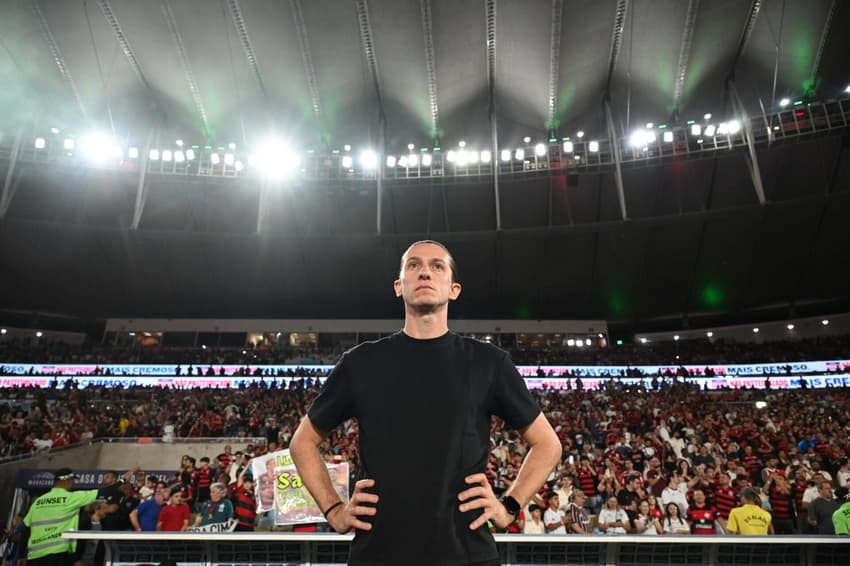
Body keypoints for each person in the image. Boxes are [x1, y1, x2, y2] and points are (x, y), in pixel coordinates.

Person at [290, 240, 562, 566]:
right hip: (378, 555)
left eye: (437, 266)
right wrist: (334, 509)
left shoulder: (489, 363)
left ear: (454, 289)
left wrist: (510, 506)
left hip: (467, 555)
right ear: (398, 286)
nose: (425, 273)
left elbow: (548, 444)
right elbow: (302, 442)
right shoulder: (360, 363)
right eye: (414, 265)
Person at [22, 468, 99, 566]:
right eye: (72, 480)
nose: (72, 483)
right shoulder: (71, 498)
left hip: (34, 556)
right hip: (58, 554)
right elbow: (101, 492)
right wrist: (122, 481)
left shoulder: (38, 501)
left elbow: (26, 528)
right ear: (66, 480)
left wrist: (22, 555)